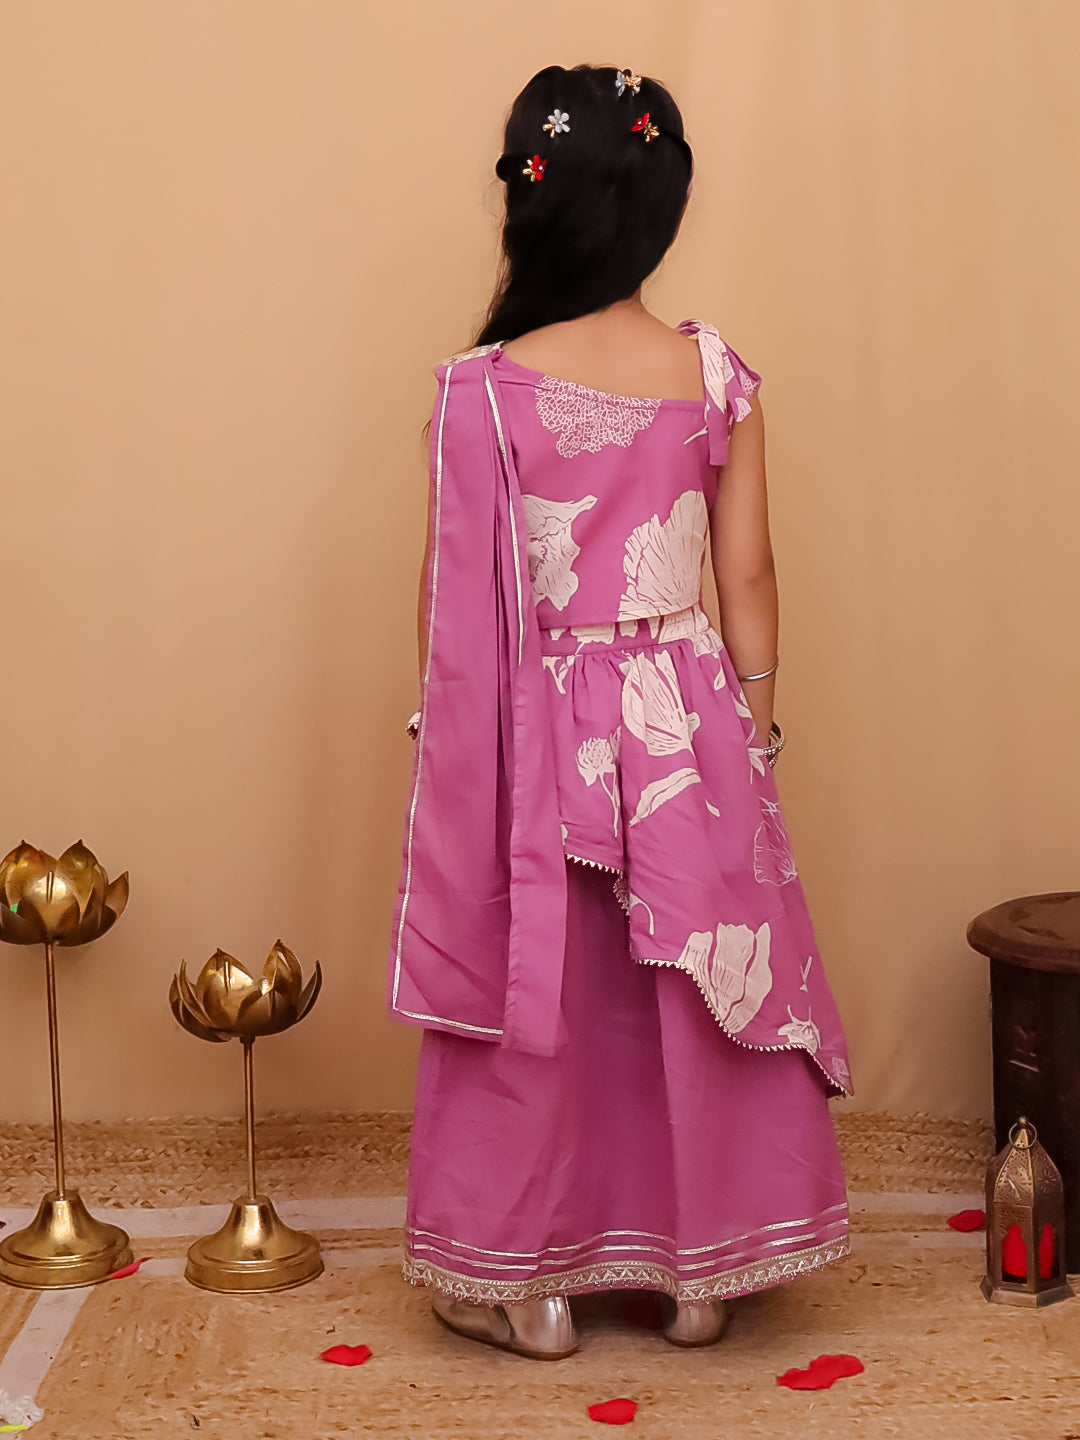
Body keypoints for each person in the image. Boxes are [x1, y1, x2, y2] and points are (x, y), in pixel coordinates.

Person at [387, 62, 851, 1361]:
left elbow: (451, 594)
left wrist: (446, 739)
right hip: (681, 714)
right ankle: (702, 1274)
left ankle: (527, 1287)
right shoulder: (711, 372)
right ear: (658, 207)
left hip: (530, 721)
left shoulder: (482, 387)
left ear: (533, 206)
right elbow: (746, 574)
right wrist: (756, 728)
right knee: (691, 983)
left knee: (538, 987)